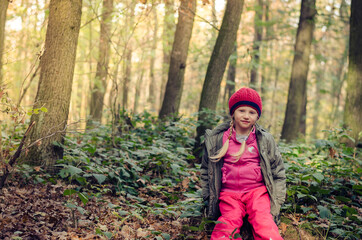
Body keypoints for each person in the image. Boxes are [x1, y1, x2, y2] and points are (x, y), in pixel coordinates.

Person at [200, 87, 286, 240]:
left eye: (252, 112)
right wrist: (207, 196)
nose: (246, 116)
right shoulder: (218, 139)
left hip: (257, 192)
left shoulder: (264, 140)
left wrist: (277, 203)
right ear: (233, 113)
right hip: (229, 194)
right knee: (227, 223)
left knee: (263, 220)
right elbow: (207, 170)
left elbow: (277, 171)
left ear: (257, 116)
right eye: (242, 111)